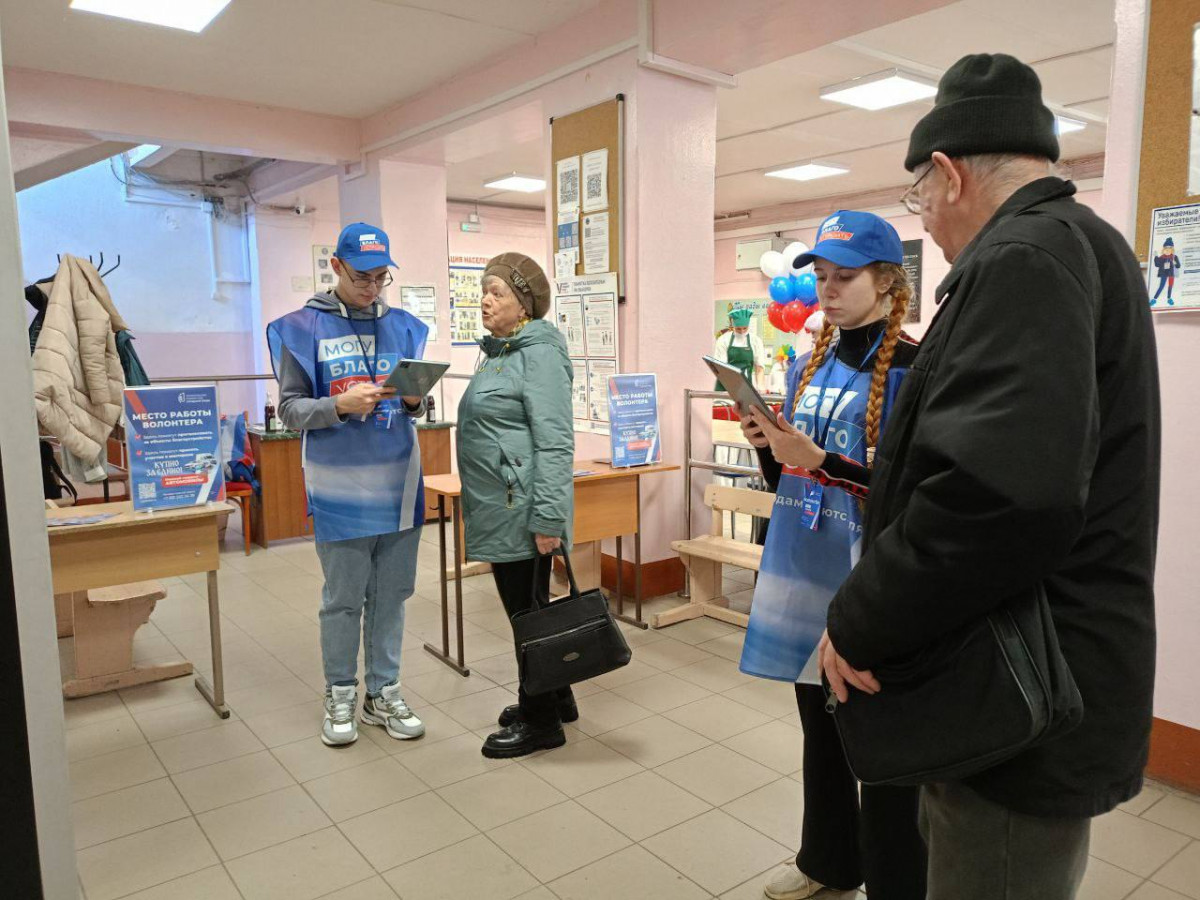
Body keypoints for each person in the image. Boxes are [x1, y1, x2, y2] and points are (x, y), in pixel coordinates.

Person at [822, 54, 1160, 899]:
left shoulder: (1023, 259)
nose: (926, 222)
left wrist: (860, 619)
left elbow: (995, 497)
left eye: (919, 200)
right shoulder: (1090, 244)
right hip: (1042, 668)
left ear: (947, 172)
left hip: (1017, 693)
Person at [737, 211, 925, 900]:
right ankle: (828, 863)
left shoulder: (914, 368)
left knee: (878, 745)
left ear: (885, 280)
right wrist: (767, 444)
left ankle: (896, 881)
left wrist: (824, 461)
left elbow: (909, 494)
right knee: (819, 728)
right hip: (802, 570)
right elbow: (785, 483)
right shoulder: (807, 363)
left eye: (845, 277)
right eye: (820, 277)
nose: (828, 289)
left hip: (870, 583)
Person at [267, 222, 429, 748]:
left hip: (399, 481)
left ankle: (383, 693)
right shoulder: (298, 328)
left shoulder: (404, 327)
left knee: (393, 595)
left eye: (382, 277)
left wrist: (412, 400)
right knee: (343, 598)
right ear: (335, 267)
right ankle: (339, 691)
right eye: (363, 276)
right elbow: (290, 411)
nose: (372, 288)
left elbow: (416, 404)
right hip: (339, 490)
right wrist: (337, 405)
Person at [456, 252, 576, 759]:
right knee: (532, 611)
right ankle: (557, 693)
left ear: (524, 305)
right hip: (502, 504)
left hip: (523, 509)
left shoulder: (538, 355)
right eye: (483, 290)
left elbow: (555, 442)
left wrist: (548, 518)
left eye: (498, 292)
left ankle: (541, 719)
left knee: (526, 616)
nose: (485, 299)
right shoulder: (502, 352)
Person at [714, 307, 767, 388]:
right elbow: (721, 366)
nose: (742, 331)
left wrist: (761, 387)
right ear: (733, 326)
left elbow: (759, 367)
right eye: (738, 329)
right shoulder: (723, 340)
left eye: (745, 328)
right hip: (724, 386)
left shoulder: (756, 341)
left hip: (745, 386)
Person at [1151, 236, 1181, 306]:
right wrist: (1155, 257)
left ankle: (1169, 298)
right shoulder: (1162, 257)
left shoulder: (1174, 257)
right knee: (1161, 286)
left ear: (1172, 249)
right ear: (1164, 249)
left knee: (1170, 286)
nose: (1167, 250)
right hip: (1164, 273)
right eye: (1166, 248)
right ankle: (1154, 299)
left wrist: (1175, 263)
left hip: (1171, 274)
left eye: (1169, 248)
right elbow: (1157, 264)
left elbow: (1178, 266)